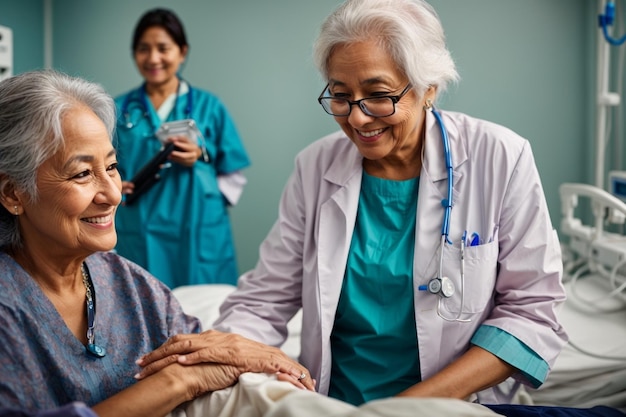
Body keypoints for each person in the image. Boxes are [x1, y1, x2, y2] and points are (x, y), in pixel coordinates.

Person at [139, 0, 568, 408]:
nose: (357, 118)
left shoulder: (500, 157)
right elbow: (265, 298)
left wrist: (404, 409)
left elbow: (531, 311)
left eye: (378, 95)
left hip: (449, 406)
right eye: (341, 96)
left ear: (428, 89)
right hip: (331, 401)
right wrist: (225, 347)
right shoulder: (315, 166)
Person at [0, 69, 312, 417]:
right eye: (83, 173)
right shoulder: (8, 307)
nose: (113, 193)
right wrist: (175, 382)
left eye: (113, 167)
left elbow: (206, 352)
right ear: (13, 193)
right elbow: (188, 373)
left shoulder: (134, 289)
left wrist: (238, 349)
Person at [114, 8, 251, 288]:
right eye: (144, 49)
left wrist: (200, 157)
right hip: (140, 228)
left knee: (204, 316)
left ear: (182, 51)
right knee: (143, 309)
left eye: (163, 48)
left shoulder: (209, 107)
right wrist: (114, 184)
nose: (153, 58)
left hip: (198, 230)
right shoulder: (116, 110)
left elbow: (233, 176)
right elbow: (100, 167)